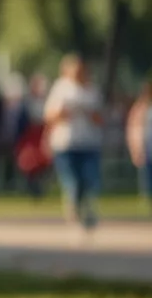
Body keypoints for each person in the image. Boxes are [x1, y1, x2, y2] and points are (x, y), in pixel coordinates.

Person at [45, 53, 106, 230]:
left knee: (89, 179)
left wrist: (88, 112)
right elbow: (49, 116)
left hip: (88, 142)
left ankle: (87, 210)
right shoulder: (61, 88)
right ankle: (74, 210)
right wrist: (65, 112)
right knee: (72, 181)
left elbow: (100, 118)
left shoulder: (92, 90)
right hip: (66, 143)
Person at [129, 79, 152, 214]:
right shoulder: (140, 108)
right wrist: (135, 147)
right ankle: (147, 197)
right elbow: (134, 128)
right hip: (146, 147)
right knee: (146, 174)